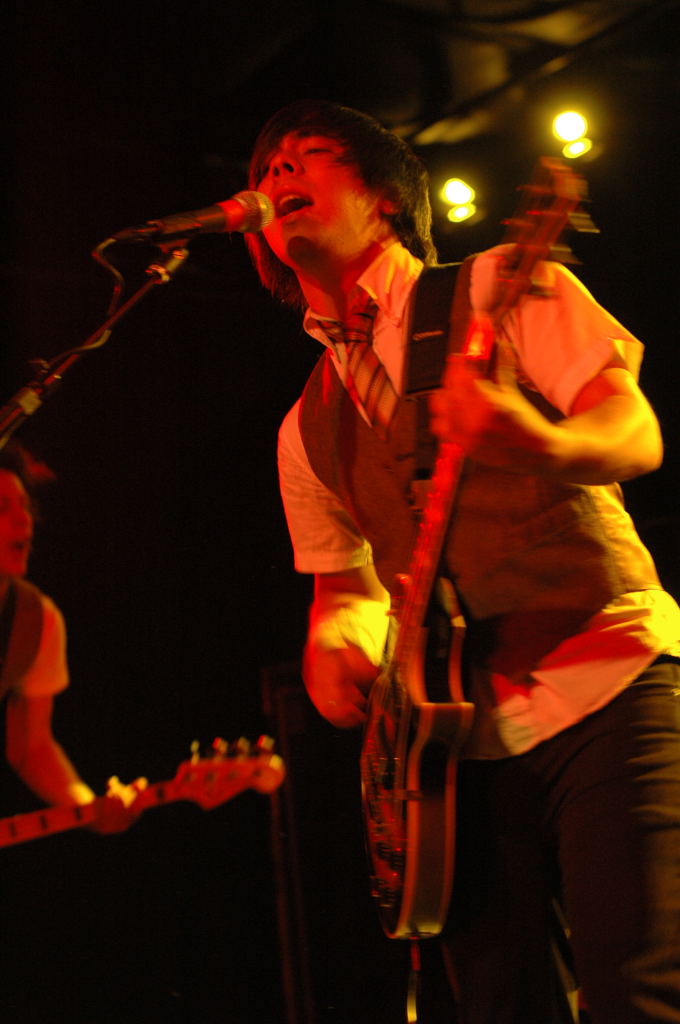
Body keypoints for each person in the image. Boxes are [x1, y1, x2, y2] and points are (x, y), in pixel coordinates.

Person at [246, 98, 680, 1023]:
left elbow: (634, 431)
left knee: (639, 994)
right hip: (455, 757)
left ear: (388, 199)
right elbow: (345, 592)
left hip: (607, 677)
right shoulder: (303, 428)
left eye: (308, 155)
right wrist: (336, 649)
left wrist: (540, 442)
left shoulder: (498, 284)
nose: (278, 172)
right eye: (266, 167)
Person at [0, 441, 144, 832]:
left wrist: (88, 806)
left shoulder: (35, 621)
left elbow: (31, 747)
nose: (23, 520)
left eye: (24, 506)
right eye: (2, 508)